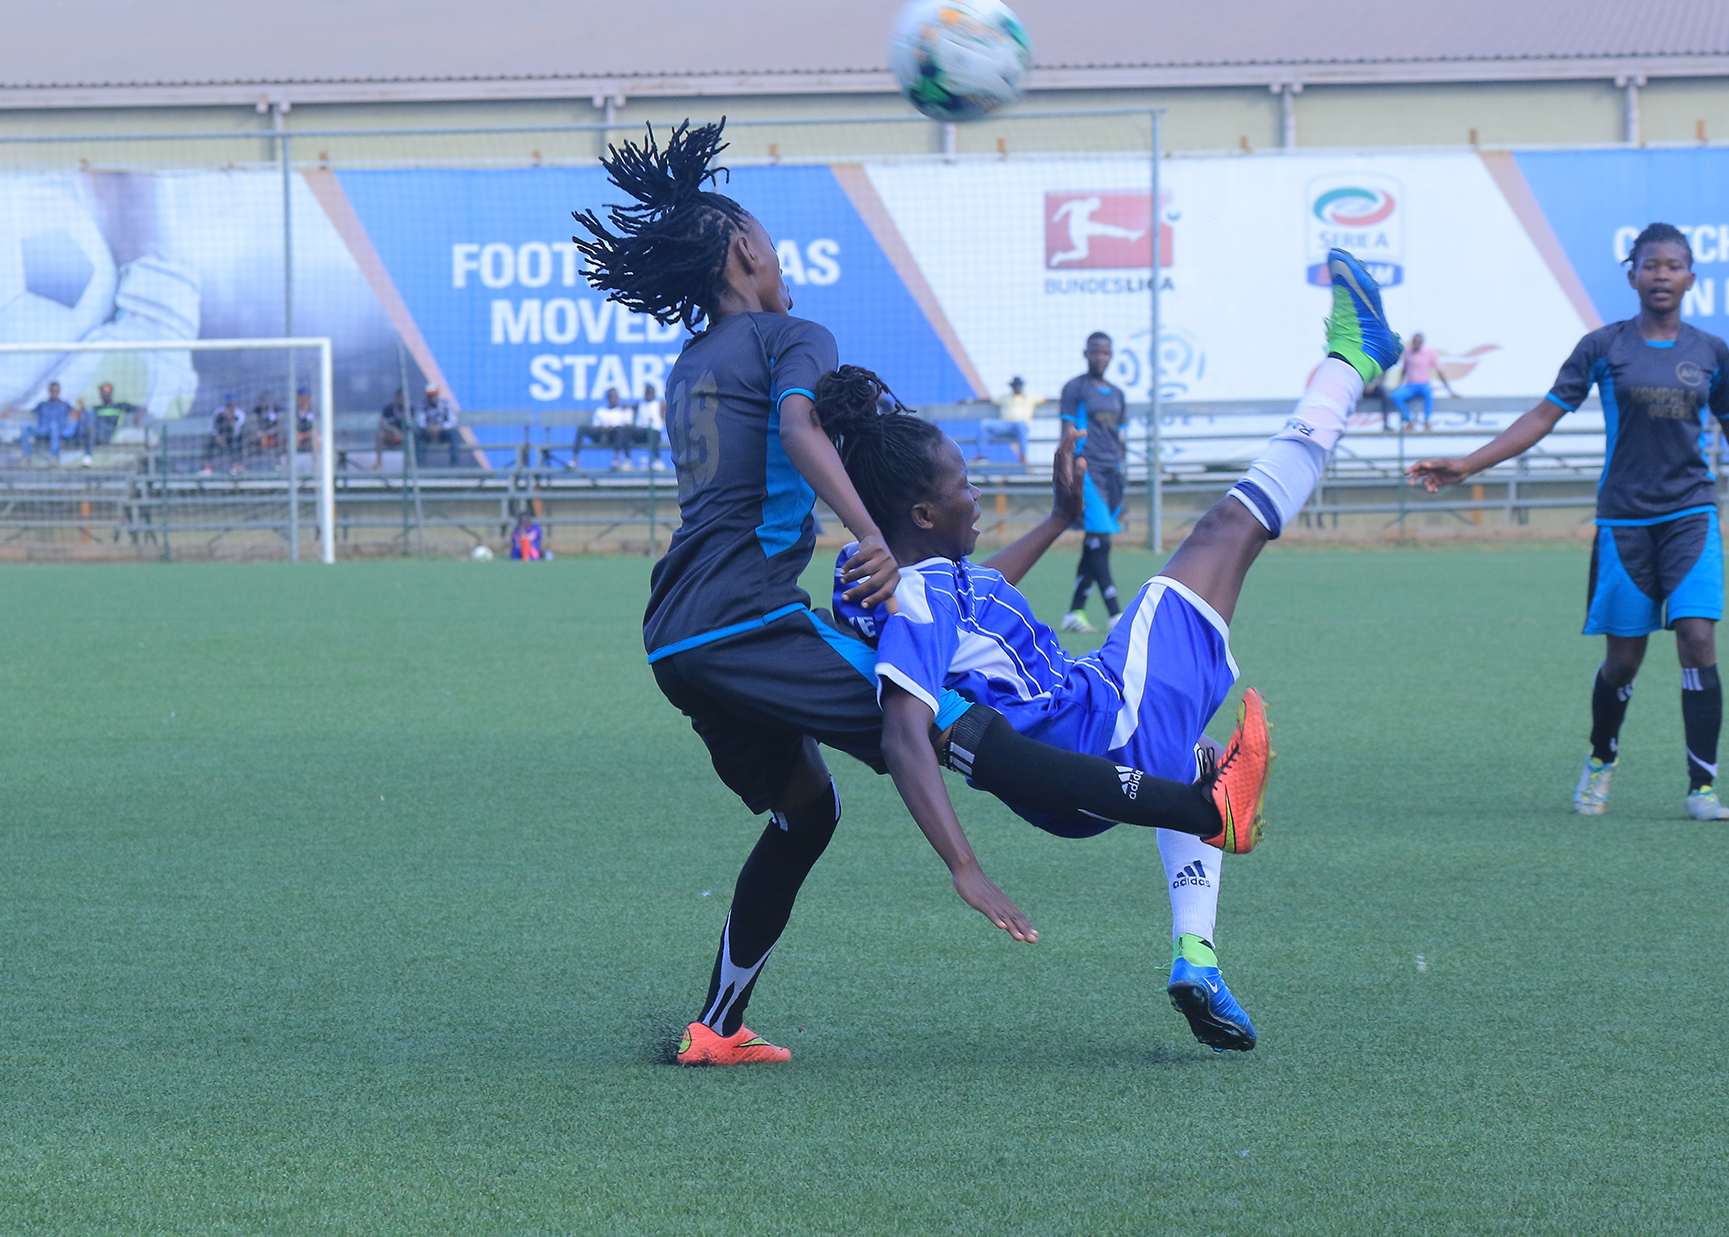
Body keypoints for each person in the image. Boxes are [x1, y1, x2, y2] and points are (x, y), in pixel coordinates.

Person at [571, 120, 1267, 1066]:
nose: (781, 263)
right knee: (948, 731)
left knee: (806, 811)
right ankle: (1202, 809)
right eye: (770, 246)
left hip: (676, 637)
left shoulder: (689, 365)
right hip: (747, 620)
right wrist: (869, 536)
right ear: (743, 249)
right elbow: (805, 430)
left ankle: (715, 1029)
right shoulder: (790, 336)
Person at [816, 249, 1392, 1052]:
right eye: (962, 487)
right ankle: (1355, 359)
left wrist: (1055, 519)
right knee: (1228, 527)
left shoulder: (908, 579)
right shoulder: (913, 595)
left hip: (1078, 752)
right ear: (920, 512)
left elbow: (975, 599)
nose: (976, 493)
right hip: (1101, 721)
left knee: (1196, 765)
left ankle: (1198, 960)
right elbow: (902, 734)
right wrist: (963, 867)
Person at [1410, 222, 1729, 821]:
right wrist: (1467, 464)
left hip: (1692, 516)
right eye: (1650, 264)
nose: (1661, 274)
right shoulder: (1603, 348)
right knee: (1624, 661)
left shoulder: (1711, 353)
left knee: (1698, 639)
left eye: (1673, 265)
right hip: (1623, 523)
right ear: (1632, 275)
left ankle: (1702, 787)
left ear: (1691, 278)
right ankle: (1601, 759)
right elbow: (1542, 416)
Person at [1059, 333, 1127, 633]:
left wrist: (1123, 474)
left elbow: (1119, 437)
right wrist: (1069, 469)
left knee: (1097, 543)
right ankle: (1116, 614)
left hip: (1113, 474)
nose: (1100, 357)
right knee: (1099, 539)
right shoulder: (1075, 388)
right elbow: (1067, 432)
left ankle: (1075, 613)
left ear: (1111, 355)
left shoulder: (1117, 394)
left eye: (1106, 352)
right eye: (1095, 351)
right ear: (1086, 353)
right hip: (1087, 470)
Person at [1388, 331, 1456, 431]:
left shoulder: (1430, 353)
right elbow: (1404, 370)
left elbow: (1439, 371)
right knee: (1396, 395)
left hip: (1424, 385)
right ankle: (1408, 420)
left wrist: (1449, 390)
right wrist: (1398, 384)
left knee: (1429, 394)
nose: (1416, 344)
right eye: (1415, 341)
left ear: (1422, 342)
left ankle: (1427, 421)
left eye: (1418, 342)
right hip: (1410, 386)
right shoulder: (1407, 353)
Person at [571, 387, 634, 469]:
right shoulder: (600, 411)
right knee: (582, 429)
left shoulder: (625, 411)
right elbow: (596, 425)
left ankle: (616, 460)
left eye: (614, 396)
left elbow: (628, 425)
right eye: (610, 396)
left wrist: (613, 428)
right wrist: (604, 428)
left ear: (618, 398)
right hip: (601, 434)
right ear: (607, 398)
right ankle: (574, 460)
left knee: (620, 430)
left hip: (616, 436)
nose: (612, 399)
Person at [19, 382, 82, 463]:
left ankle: (54, 457)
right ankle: (27, 456)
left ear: (59, 391)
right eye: (52, 390)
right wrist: (10, 410)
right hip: (42, 430)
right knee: (24, 426)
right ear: (49, 391)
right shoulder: (42, 404)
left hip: (56, 432)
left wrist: (81, 407)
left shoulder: (64, 405)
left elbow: (78, 414)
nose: (54, 392)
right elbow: (27, 411)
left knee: (53, 426)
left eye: (56, 391)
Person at [979, 375, 1035, 463]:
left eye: (1018, 386)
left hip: (1019, 428)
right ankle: (981, 456)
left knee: (1021, 424)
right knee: (984, 423)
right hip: (1005, 426)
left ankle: (1023, 455)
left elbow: (1047, 400)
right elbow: (989, 400)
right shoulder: (1005, 397)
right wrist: (969, 401)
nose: (1016, 388)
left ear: (1021, 386)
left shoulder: (1030, 397)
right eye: (1014, 386)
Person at [88, 382, 140, 454]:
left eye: (107, 391)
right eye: (103, 391)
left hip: (114, 432)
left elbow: (141, 409)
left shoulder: (120, 406)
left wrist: (137, 416)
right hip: (100, 433)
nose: (105, 393)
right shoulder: (96, 408)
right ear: (100, 394)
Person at [202, 392, 246, 474]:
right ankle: (207, 468)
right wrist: (218, 437)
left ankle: (236, 467)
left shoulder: (239, 414)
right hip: (219, 437)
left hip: (232, 438)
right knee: (209, 442)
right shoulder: (219, 412)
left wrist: (230, 418)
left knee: (238, 442)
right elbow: (212, 428)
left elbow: (237, 431)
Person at [416, 387, 457, 466]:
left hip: (443, 432)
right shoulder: (422, 405)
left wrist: (441, 427)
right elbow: (420, 421)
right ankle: (419, 465)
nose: (432, 398)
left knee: (454, 434)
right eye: (430, 396)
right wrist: (429, 427)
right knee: (417, 436)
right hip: (428, 432)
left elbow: (452, 420)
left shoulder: (446, 404)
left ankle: (454, 464)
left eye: (434, 395)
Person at [631, 381, 667, 469]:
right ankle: (627, 460)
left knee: (653, 434)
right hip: (641, 432)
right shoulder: (639, 404)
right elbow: (629, 408)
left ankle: (658, 459)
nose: (649, 394)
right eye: (647, 392)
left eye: (650, 392)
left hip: (655, 432)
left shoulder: (660, 404)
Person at [375, 387, 409, 470]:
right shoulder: (388, 409)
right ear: (396, 397)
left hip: (403, 437)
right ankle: (379, 465)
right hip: (391, 436)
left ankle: (408, 465)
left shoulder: (409, 410)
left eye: (403, 398)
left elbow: (412, 425)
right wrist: (393, 430)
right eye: (400, 397)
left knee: (410, 439)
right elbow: (381, 424)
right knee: (379, 437)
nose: (401, 400)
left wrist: (401, 433)